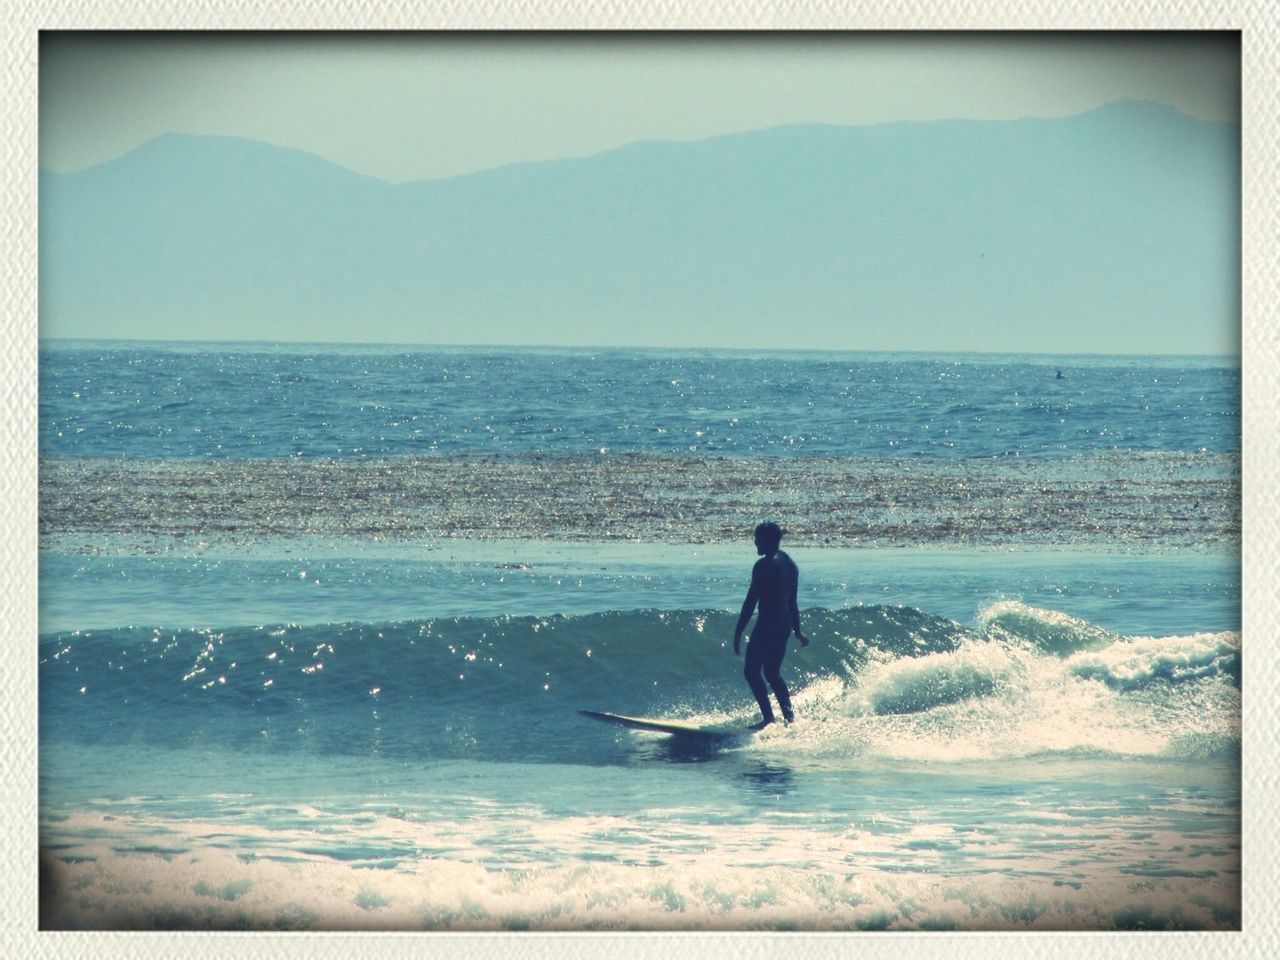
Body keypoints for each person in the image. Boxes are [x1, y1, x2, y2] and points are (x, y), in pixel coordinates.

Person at [733, 521, 808, 729]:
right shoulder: (790, 564)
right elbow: (792, 602)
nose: (755, 542)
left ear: (767, 541)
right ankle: (789, 718)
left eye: (757, 539)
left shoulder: (764, 566)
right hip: (783, 624)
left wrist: (738, 632)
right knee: (772, 672)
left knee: (751, 671)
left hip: (767, 624)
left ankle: (768, 718)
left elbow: (750, 602)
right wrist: (797, 630)